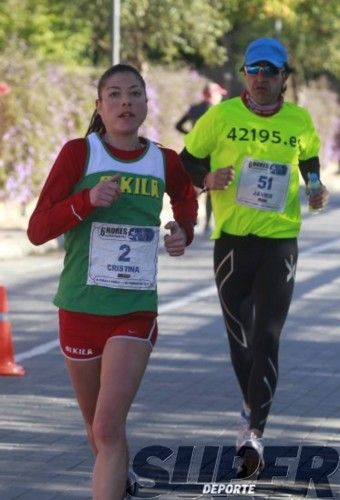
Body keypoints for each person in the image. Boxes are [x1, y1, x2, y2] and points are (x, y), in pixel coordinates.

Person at [27, 63, 198, 500]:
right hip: (80, 308)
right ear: (100, 107)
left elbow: (184, 196)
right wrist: (86, 201)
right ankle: (123, 484)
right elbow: (37, 229)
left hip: (134, 311)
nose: (126, 102)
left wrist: (182, 231)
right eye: (115, 95)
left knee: (106, 425)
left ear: (145, 104)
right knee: (98, 430)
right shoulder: (78, 155)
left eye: (135, 94)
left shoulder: (164, 159)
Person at [179, 37, 329, 479]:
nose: (261, 78)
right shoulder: (220, 116)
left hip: (279, 242)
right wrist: (206, 178)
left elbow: (311, 165)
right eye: (254, 70)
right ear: (244, 74)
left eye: (270, 71)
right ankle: (249, 408)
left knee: (267, 337)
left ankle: (253, 433)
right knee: (239, 339)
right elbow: (186, 162)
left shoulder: (299, 120)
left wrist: (317, 188)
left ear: (285, 78)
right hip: (231, 243)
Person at [175, 82, 227, 232]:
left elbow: (178, 125)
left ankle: (191, 218)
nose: (220, 98)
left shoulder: (194, 109)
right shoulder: (219, 112)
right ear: (212, 94)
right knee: (211, 188)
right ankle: (208, 223)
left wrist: (191, 137)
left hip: (195, 152)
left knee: (195, 187)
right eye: (219, 94)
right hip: (212, 153)